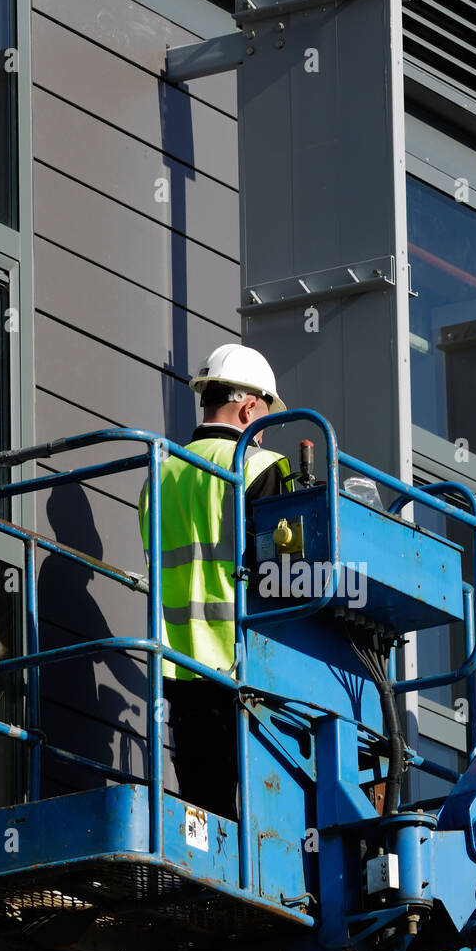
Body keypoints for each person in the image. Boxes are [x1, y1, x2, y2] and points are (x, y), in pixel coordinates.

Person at [139, 344, 292, 819]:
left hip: (178, 670)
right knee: (255, 816)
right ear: (249, 408)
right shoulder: (257, 466)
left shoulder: (158, 474)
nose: (264, 434)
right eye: (264, 417)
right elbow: (283, 579)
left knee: (202, 809)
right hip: (241, 666)